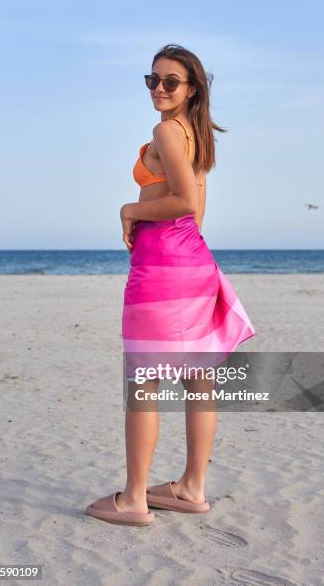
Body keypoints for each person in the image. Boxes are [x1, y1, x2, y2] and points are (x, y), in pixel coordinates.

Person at [86, 44, 256, 526]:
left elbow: (183, 202)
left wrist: (130, 209)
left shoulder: (167, 131)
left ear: (193, 88)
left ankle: (134, 498)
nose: (159, 89)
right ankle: (190, 487)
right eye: (152, 80)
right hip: (193, 263)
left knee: (144, 381)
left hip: (163, 267)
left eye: (170, 82)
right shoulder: (195, 134)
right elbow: (197, 213)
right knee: (199, 378)